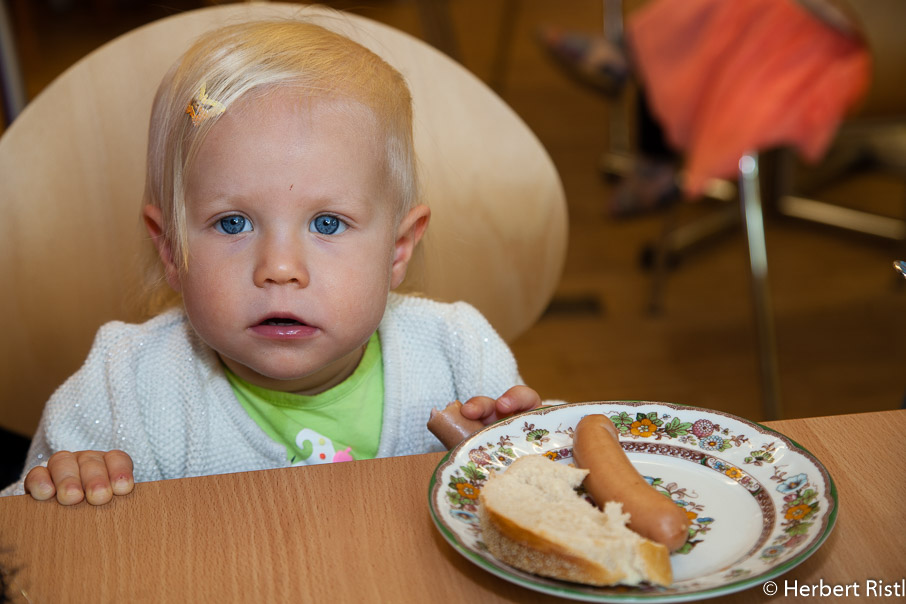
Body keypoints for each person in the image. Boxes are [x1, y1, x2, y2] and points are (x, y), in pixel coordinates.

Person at [0, 19, 545, 504]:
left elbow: (555, 491)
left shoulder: (459, 355)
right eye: (233, 223)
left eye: (327, 223)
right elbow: (29, 547)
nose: (280, 268)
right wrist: (63, 487)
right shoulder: (125, 388)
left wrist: (525, 455)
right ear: (170, 250)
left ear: (397, 249)